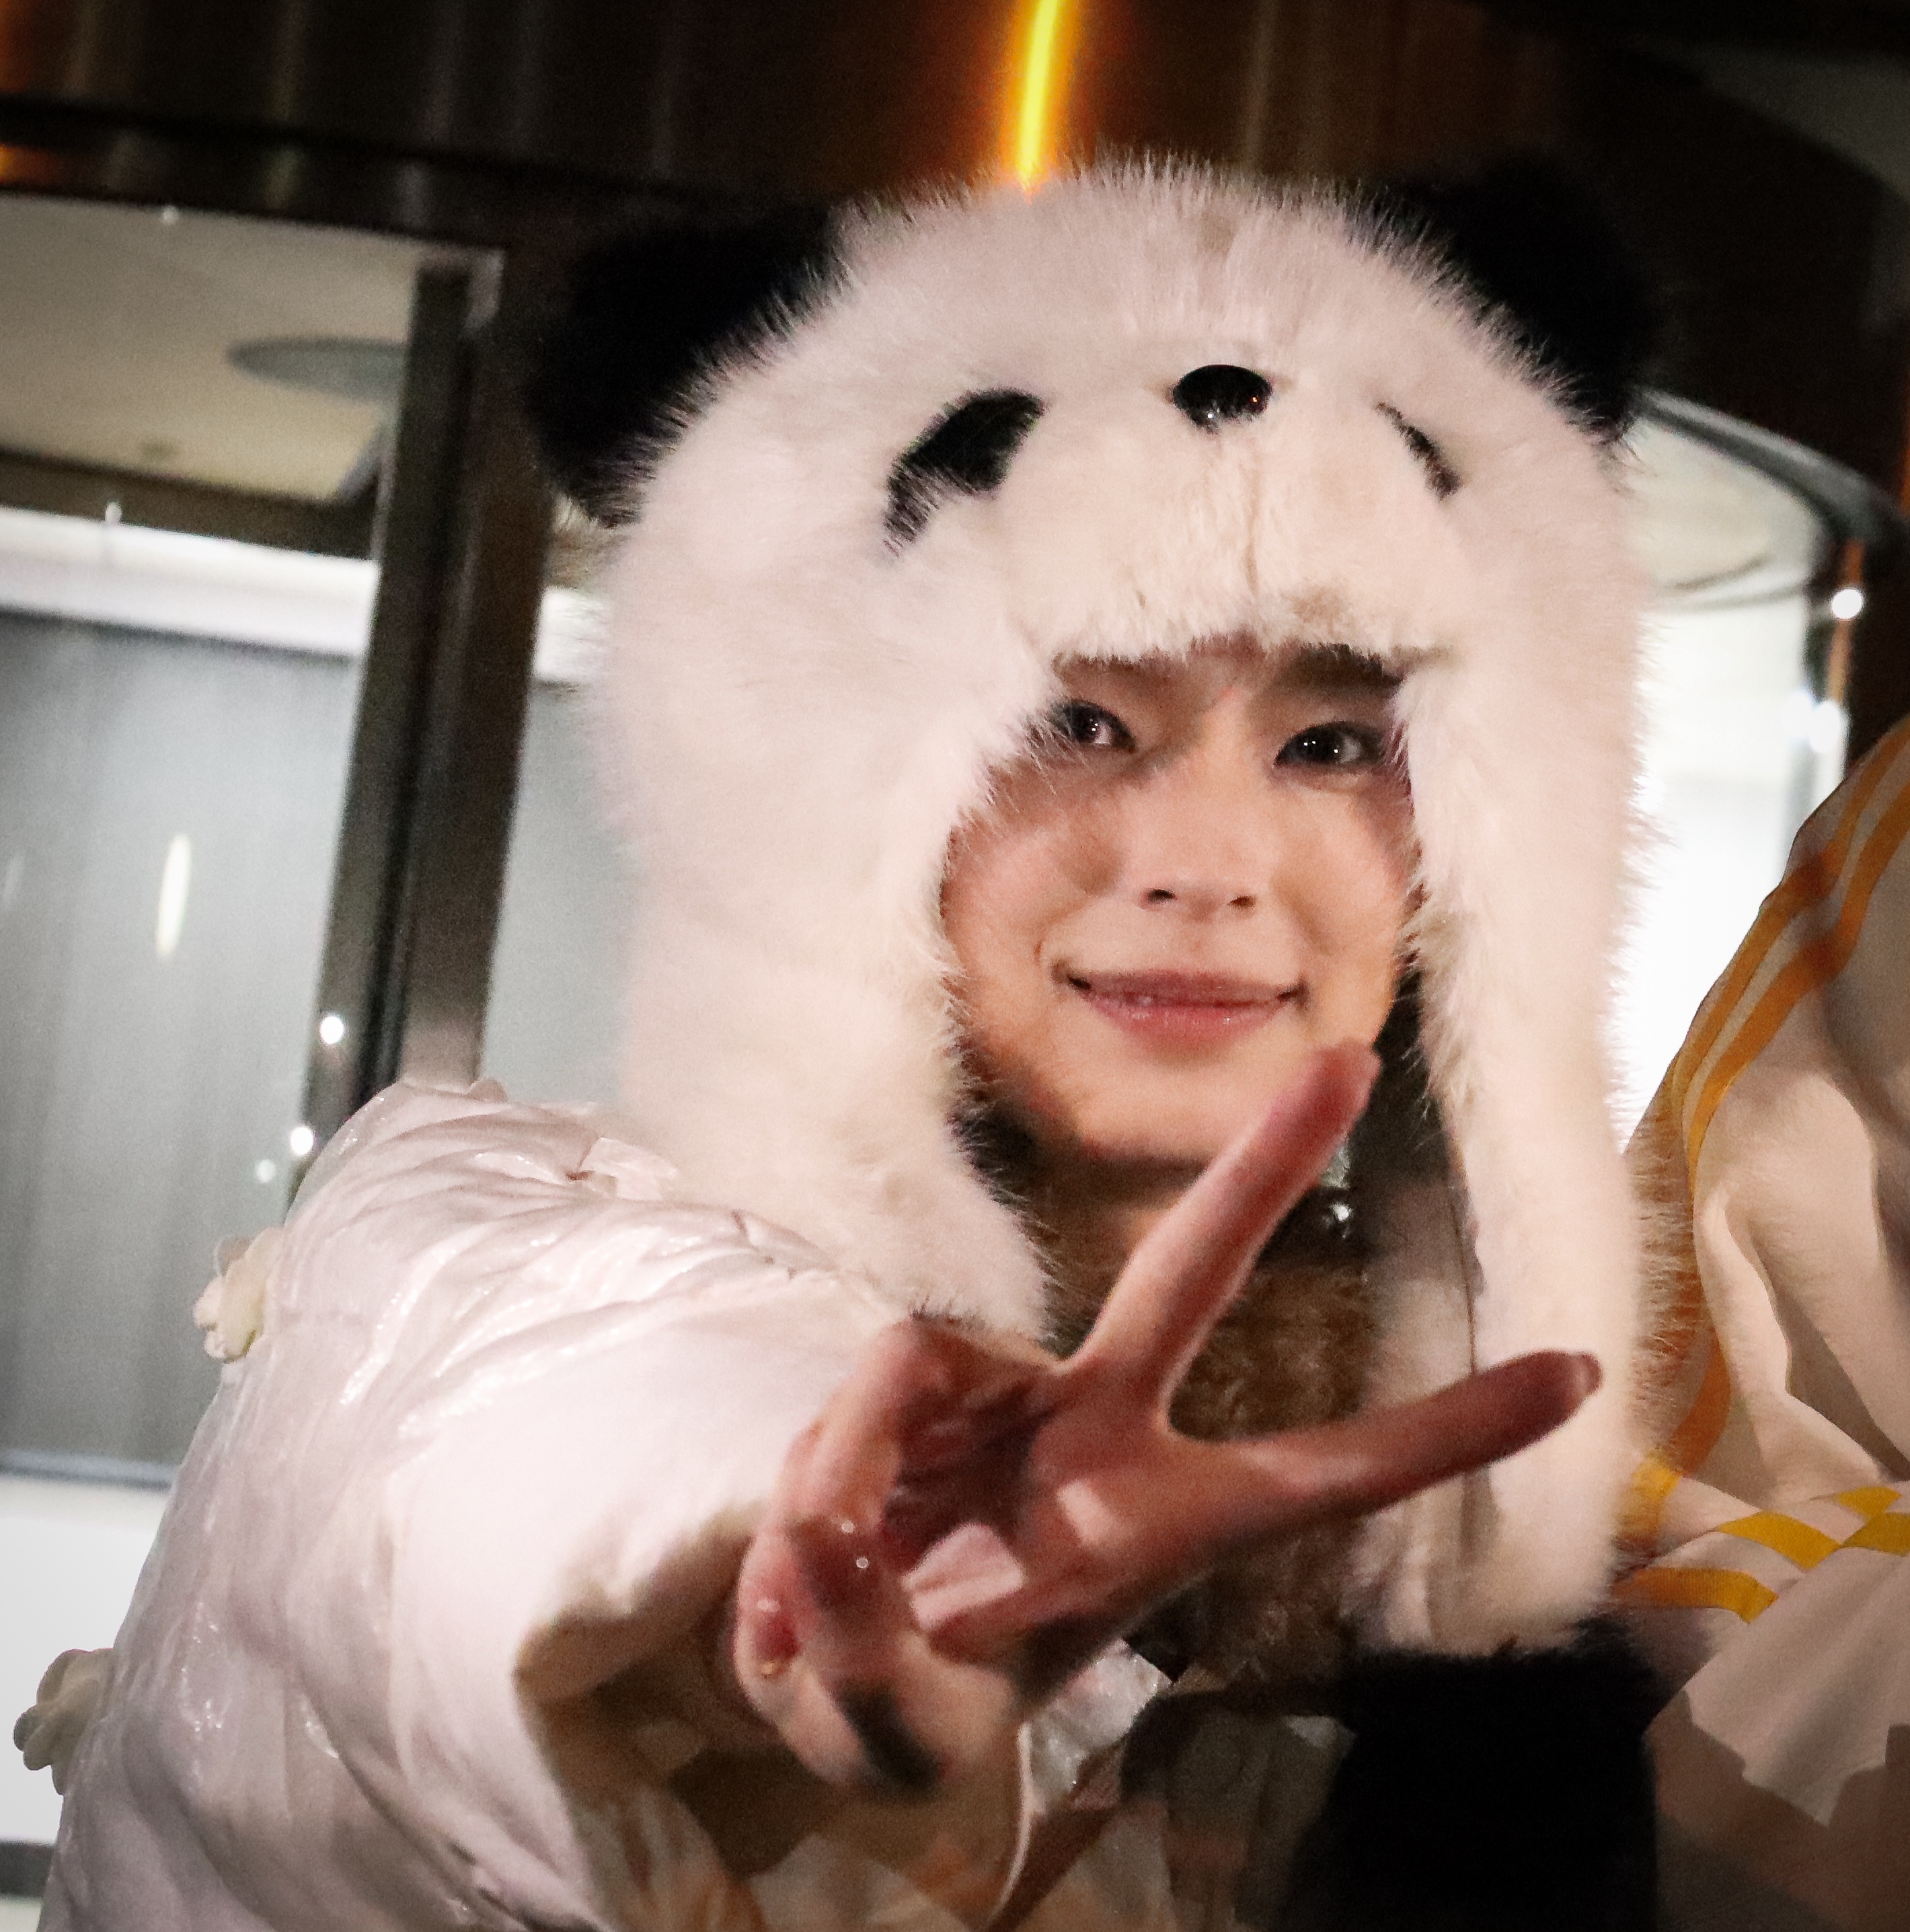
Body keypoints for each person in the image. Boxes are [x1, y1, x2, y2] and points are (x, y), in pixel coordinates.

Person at [24, 163, 1663, 1929]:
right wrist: (814, 1562)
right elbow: (539, 1472)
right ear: (812, 773)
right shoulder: (483, 1237)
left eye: (1330, 745)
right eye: (1076, 720)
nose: (1205, 865)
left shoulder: (1496, 1495)